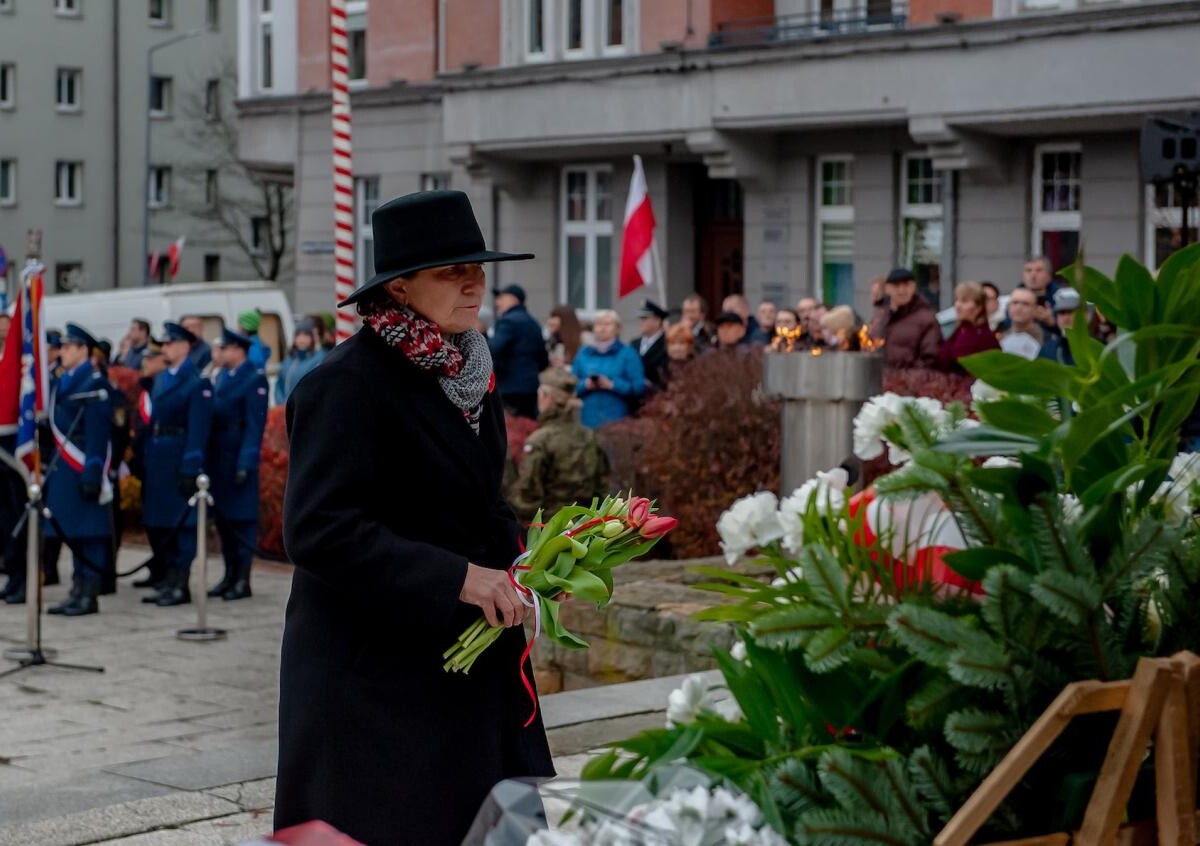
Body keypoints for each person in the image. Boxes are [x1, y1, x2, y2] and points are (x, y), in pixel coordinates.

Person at [275, 189, 553, 845]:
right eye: (452, 270)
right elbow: (318, 530)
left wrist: (531, 555)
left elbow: (473, 502)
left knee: (485, 823)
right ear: (399, 289)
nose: (473, 283)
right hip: (375, 679)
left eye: (477, 268)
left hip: (463, 671)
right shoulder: (345, 383)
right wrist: (460, 577)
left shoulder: (467, 368)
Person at [140, 321, 213, 607]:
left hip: (179, 457)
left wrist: (191, 465)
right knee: (160, 523)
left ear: (186, 346)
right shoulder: (163, 378)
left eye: (170, 343)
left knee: (181, 525)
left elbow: (198, 429)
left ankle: (180, 584)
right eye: (165, 343)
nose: (166, 347)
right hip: (159, 458)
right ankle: (167, 581)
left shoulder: (196, 382)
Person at [43, 323, 114, 617]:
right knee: (72, 532)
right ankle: (76, 589)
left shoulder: (95, 382)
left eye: (69, 347)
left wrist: (93, 473)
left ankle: (89, 593)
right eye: (62, 347)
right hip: (65, 470)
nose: (62, 352)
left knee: (89, 534)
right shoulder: (65, 380)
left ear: (84, 350)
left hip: (83, 467)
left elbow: (99, 435)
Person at [206, 328, 268, 601]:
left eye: (227, 348)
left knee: (241, 521)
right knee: (224, 521)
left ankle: (243, 579)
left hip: (237, 456)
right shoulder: (221, 377)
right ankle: (229, 574)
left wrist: (246, 460)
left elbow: (255, 425)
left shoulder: (254, 379)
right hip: (219, 458)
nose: (222, 352)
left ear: (239, 350)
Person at [507, 369, 610, 523]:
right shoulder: (589, 436)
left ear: (546, 397)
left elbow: (527, 496)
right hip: (584, 526)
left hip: (549, 529)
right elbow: (602, 488)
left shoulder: (540, 440)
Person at [128, 339, 168, 591]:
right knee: (150, 519)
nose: (144, 363)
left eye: (150, 358)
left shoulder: (162, 386)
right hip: (146, 459)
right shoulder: (147, 387)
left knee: (163, 519)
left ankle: (167, 571)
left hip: (161, 461)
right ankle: (158, 566)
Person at [571, 310, 645, 428]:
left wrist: (612, 384)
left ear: (618, 329)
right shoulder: (583, 353)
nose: (602, 328)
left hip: (618, 419)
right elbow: (571, 384)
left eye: (607, 324)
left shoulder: (628, 354)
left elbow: (638, 387)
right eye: (598, 324)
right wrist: (585, 384)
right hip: (588, 418)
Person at [489, 283, 549, 419]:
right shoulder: (533, 323)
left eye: (501, 297)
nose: (497, 302)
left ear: (514, 299)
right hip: (531, 387)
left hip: (510, 389)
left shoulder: (508, 321)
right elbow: (543, 358)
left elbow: (492, 350)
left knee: (512, 431)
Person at [882, 267, 941, 369]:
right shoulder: (881, 317)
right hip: (877, 381)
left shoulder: (927, 319)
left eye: (907, 285)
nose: (902, 290)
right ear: (887, 289)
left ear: (914, 287)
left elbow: (930, 360)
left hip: (909, 382)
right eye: (896, 285)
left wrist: (905, 379)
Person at [938, 281, 1001, 374]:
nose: (957, 305)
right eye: (957, 300)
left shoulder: (982, 337)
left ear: (979, 307)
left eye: (964, 301)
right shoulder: (962, 329)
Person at [275, 318, 325, 405]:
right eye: (298, 335)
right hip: (285, 411)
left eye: (306, 335)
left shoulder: (319, 359)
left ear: (312, 337)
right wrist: (281, 404)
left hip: (305, 412)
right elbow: (279, 386)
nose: (301, 339)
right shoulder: (289, 360)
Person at [1041, 287, 1083, 366]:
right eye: (1062, 313)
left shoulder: (1098, 348)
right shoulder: (1048, 350)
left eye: (1070, 312)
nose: (1066, 318)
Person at [635, 300, 669, 392]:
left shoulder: (667, 343)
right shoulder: (634, 343)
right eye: (640, 318)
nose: (641, 321)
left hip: (658, 395)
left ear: (657, 321)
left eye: (645, 318)